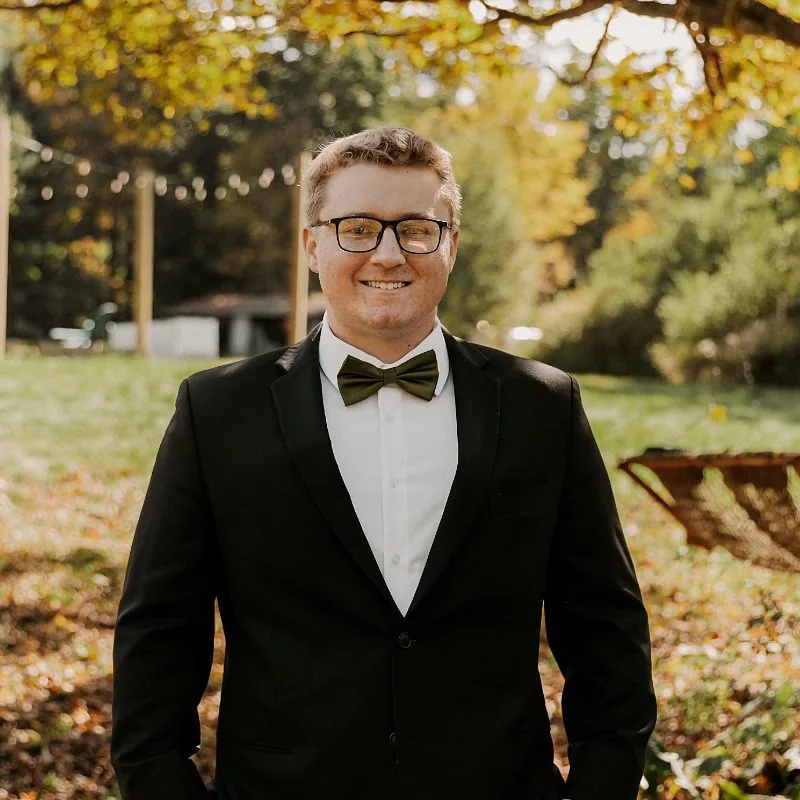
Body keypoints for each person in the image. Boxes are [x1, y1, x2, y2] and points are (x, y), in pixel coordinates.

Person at [111, 126, 657, 800]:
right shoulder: (217, 411)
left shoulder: (540, 406)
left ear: (451, 243)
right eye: (358, 227)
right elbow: (159, 634)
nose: (389, 253)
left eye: (418, 229)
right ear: (312, 243)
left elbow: (606, 629)